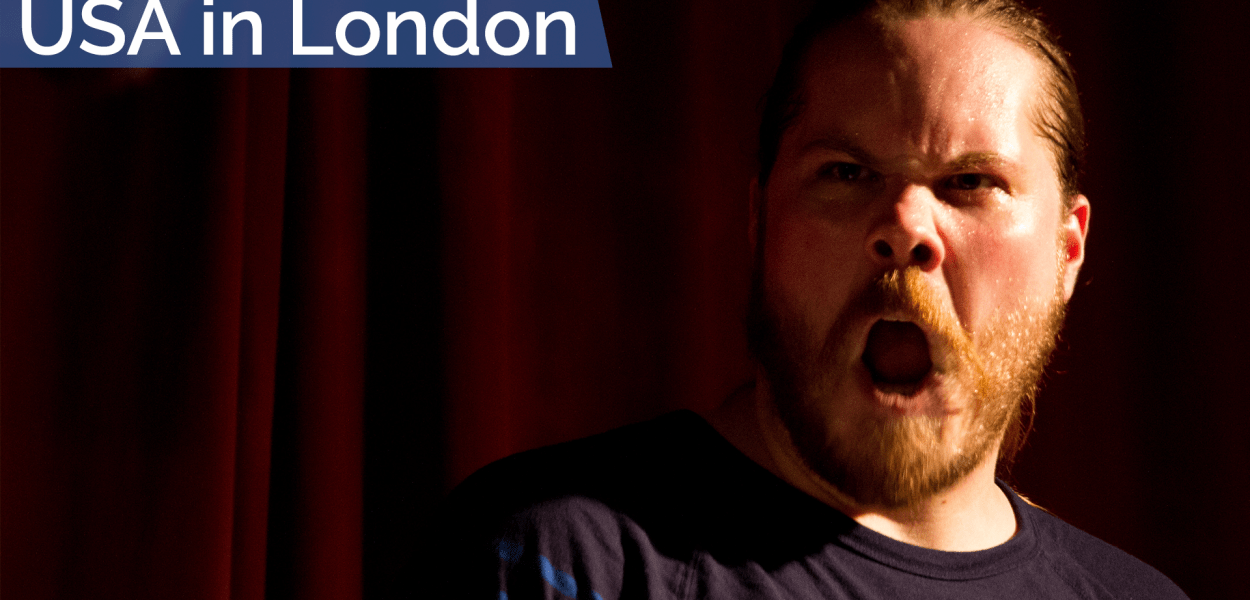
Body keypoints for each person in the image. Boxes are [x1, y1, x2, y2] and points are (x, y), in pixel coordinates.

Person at [433, 1, 1190, 598]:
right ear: (760, 222)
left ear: (1066, 251)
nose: (906, 226)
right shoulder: (557, 559)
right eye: (846, 173)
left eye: (971, 182)